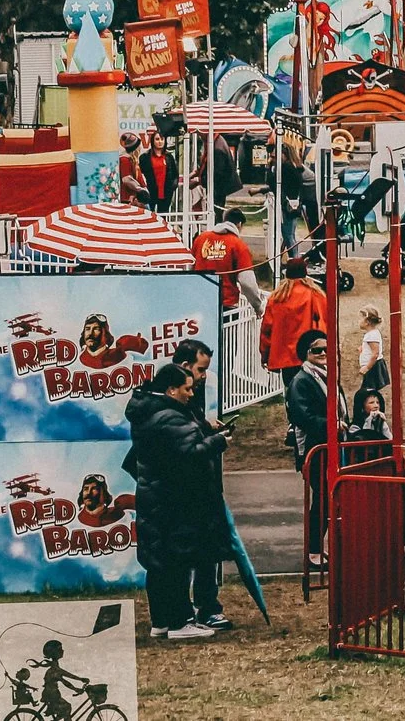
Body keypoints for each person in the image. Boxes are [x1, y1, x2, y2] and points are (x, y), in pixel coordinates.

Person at [125, 360, 230, 640]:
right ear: (171, 390)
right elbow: (189, 454)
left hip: (156, 498)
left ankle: (161, 621)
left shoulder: (149, 411)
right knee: (175, 561)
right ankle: (180, 620)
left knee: (159, 562)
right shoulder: (169, 416)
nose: (191, 394)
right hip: (172, 500)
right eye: (187, 389)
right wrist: (217, 441)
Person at [284, 329, 335, 567]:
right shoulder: (301, 381)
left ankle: (320, 548)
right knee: (322, 500)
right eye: (317, 350)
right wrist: (332, 426)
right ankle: (314, 550)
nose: (323, 353)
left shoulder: (325, 376)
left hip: (329, 447)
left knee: (328, 499)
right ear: (306, 353)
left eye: (326, 348)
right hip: (315, 449)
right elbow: (301, 416)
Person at [259, 259, 328, 375]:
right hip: (312, 353)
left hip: (286, 358)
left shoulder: (277, 298)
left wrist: (265, 355)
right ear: (305, 273)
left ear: (287, 274)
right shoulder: (316, 295)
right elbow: (326, 323)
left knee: (291, 389)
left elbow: (267, 330)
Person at [192, 214, 264, 316]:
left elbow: (190, 268)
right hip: (226, 303)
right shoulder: (238, 245)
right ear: (239, 224)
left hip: (200, 301)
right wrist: (257, 305)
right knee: (227, 332)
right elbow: (247, 281)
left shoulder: (200, 239)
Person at [354, 308, 387, 405]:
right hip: (373, 367)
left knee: (368, 392)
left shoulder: (371, 335)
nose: (358, 321)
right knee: (368, 391)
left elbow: (375, 353)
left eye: (360, 319)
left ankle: (371, 410)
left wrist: (367, 367)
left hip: (373, 368)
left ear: (367, 322)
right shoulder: (371, 334)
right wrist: (363, 349)